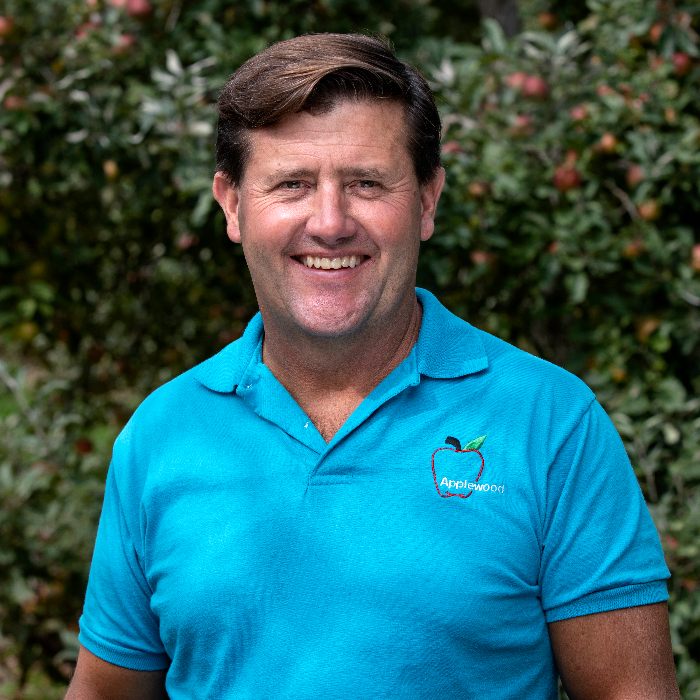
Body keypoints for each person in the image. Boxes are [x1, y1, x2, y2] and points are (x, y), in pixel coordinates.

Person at [66, 33, 680, 699]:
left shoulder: (551, 422)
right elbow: (104, 690)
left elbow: (631, 689)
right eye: (292, 184)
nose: (330, 222)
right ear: (233, 205)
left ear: (426, 201)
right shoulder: (163, 435)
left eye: (365, 183)